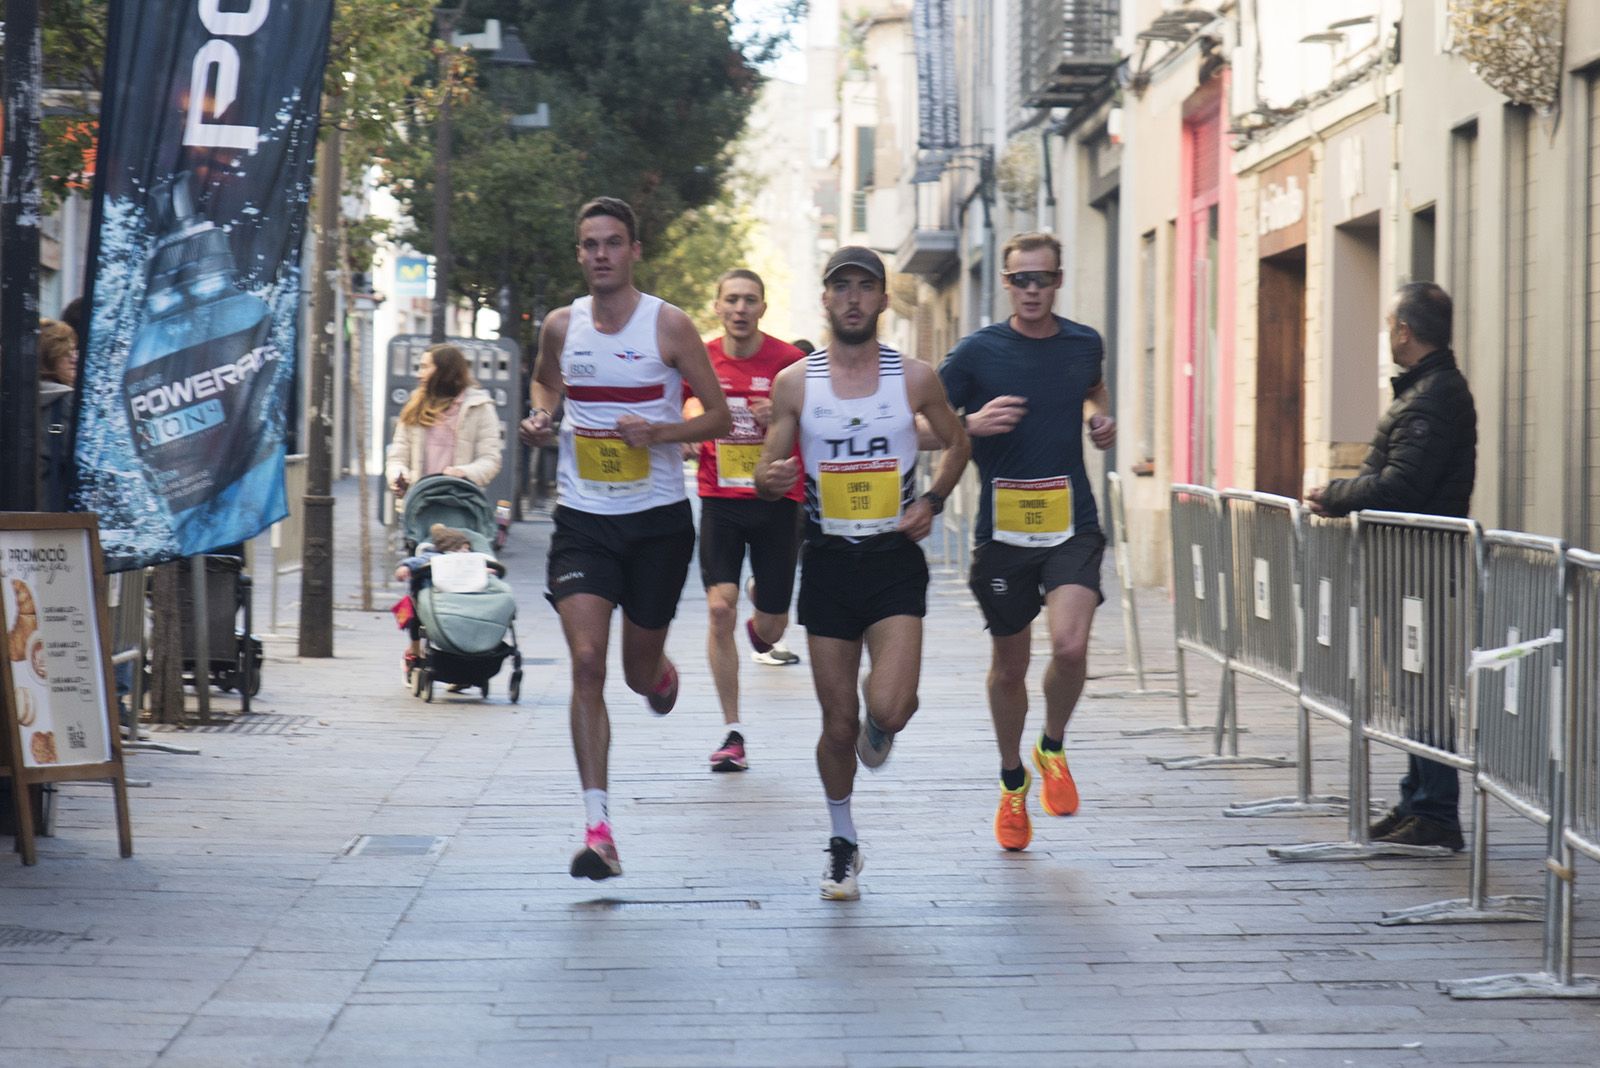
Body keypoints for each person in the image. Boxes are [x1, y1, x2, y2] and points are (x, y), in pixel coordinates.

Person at [518, 196, 732, 881]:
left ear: (634, 250)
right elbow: (547, 385)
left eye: (613, 242)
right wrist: (540, 417)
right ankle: (598, 826)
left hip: (658, 523)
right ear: (578, 253)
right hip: (583, 521)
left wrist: (661, 432)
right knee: (587, 662)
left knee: (637, 670)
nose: (601, 254)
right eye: (589, 244)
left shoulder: (668, 325)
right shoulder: (561, 325)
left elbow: (722, 417)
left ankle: (659, 674)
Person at [755, 246, 969, 900]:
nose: (852, 298)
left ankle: (885, 720)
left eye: (864, 287)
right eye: (840, 287)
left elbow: (957, 440)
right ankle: (842, 840)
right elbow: (767, 472)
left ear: (881, 299)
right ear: (825, 299)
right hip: (826, 559)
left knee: (890, 707)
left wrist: (931, 501)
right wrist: (771, 479)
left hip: (892, 559)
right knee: (837, 722)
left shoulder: (915, 378)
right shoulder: (796, 383)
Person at [931, 233, 1116, 853]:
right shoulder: (977, 353)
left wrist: (1099, 416)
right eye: (1020, 280)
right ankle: (1013, 781)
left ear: (1058, 281)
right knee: (1010, 666)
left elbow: (1092, 386)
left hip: (1072, 523)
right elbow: (919, 423)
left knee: (1069, 645)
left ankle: (1053, 746)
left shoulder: (1083, 342)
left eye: (1043, 279)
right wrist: (969, 425)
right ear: (1006, 284)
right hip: (1004, 532)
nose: (1032, 290)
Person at [1306, 281, 1476, 851]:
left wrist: (1335, 493)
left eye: (1389, 325)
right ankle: (1417, 801)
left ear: (1405, 330)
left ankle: (1436, 813)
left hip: (1421, 568)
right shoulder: (1425, 391)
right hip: (1409, 566)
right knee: (1413, 685)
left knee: (1423, 687)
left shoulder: (1431, 398)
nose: (1387, 334)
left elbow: (1403, 484)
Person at [683, 269, 807, 774]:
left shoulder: (790, 363)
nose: (739, 308)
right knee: (719, 609)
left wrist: (777, 417)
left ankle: (764, 612)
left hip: (778, 500)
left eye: (749, 300)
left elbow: (812, 418)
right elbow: (687, 397)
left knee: (772, 627)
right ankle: (732, 731)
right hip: (721, 498)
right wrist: (693, 424)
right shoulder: (702, 356)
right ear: (716, 306)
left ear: (762, 307)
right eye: (731, 299)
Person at [384, 343, 504, 502]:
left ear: (445, 371)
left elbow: (490, 460)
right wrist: (398, 476)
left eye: (425, 367)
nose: (420, 374)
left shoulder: (479, 407)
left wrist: (463, 473)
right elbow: (397, 457)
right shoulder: (415, 406)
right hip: (418, 506)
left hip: (461, 505)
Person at [38, 319, 80, 511]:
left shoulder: (12, 398)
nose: (74, 358)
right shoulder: (65, 401)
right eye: (66, 352)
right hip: (54, 524)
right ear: (49, 359)